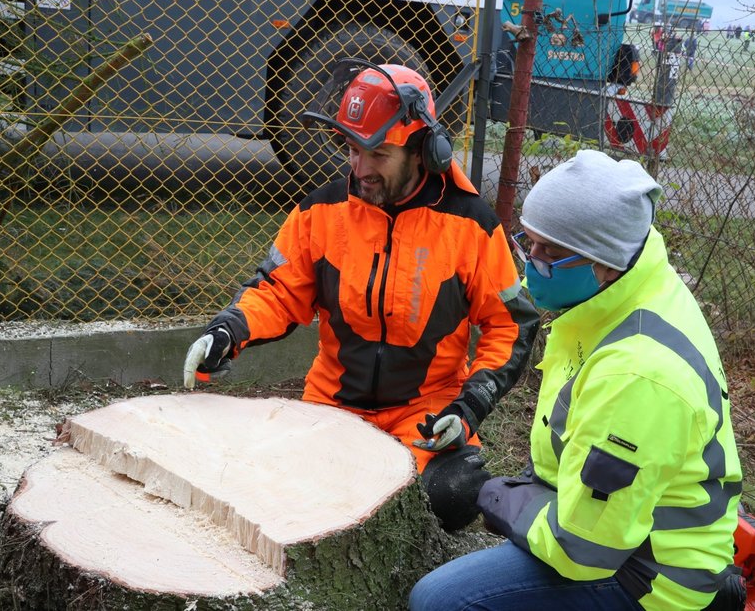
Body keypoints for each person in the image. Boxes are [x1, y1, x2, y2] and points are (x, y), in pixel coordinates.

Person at [182, 60, 540, 531]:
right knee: (274, 487)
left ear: (423, 151)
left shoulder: (471, 226)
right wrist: (229, 329)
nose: (360, 168)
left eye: (378, 154)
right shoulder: (321, 212)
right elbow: (278, 290)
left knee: (453, 497)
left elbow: (509, 324)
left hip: (424, 415)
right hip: (332, 405)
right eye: (352, 150)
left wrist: (470, 404)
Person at [410, 150, 744, 610]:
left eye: (552, 253)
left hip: (650, 577)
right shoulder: (623, 292)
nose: (533, 263)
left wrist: (487, 496)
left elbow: (583, 550)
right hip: (622, 531)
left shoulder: (637, 374)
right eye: (530, 242)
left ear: (604, 259)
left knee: (440, 601)